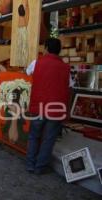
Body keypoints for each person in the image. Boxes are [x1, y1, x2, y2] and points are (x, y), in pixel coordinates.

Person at [25, 38, 70, 175]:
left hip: (39, 106)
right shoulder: (66, 67)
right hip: (57, 109)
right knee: (49, 139)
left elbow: (27, 73)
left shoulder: (36, 63)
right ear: (59, 50)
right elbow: (70, 86)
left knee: (34, 136)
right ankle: (40, 167)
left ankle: (30, 165)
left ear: (45, 48)